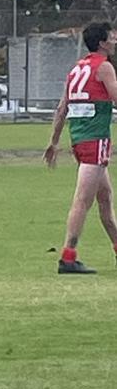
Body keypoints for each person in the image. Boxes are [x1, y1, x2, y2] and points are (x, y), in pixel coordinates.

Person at [44, 21, 117, 274]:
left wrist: (54, 141)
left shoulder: (77, 68)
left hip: (79, 139)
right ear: (101, 43)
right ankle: (68, 257)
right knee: (82, 201)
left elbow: (62, 107)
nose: (115, 39)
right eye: (112, 36)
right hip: (95, 139)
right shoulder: (104, 67)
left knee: (105, 198)